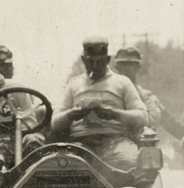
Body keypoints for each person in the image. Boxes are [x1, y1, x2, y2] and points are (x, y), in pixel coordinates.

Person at [50, 38, 147, 171]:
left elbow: (142, 117)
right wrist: (71, 115)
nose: (95, 66)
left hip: (115, 142)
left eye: (100, 62)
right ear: (83, 60)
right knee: (64, 167)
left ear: (108, 60)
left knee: (128, 163)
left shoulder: (123, 82)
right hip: (80, 144)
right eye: (90, 62)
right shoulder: (73, 84)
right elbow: (55, 122)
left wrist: (114, 114)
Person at [112, 47, 163, 133]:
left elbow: (152, 122)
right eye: (123, 64)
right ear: (117, 66)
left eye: (131, 64)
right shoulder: (111, 93)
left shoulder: (146, 96)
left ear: (138, 67)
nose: (127, 68)